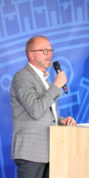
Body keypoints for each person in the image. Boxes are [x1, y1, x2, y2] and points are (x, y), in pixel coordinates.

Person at [10, 36, 77, 178]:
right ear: (31, 54)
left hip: (50, 150)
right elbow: (35, 110)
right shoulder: (22, 77)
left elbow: (46, 113)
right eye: (44, 51)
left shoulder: (43, 78)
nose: (50, 54)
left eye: (51, 50)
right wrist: (55, 87)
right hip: (31, 152)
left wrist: (61, 120)